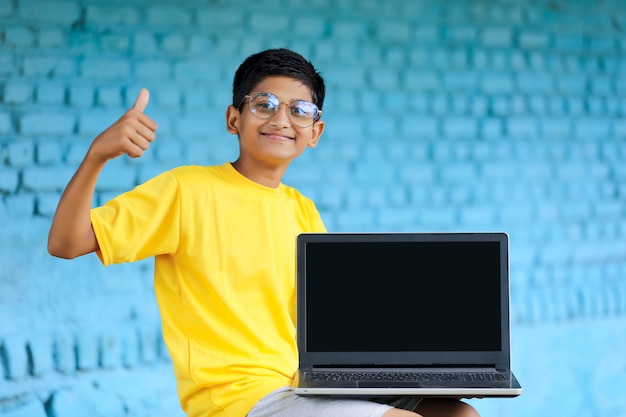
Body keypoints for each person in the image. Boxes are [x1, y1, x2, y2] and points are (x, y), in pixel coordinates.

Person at [48, 48, 480, 417]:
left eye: (300, 110)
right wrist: (97, 155)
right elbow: (66, 243)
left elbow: (332, 321)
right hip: (239, 398)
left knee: (460, 412)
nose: (281, 119)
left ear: (315, 132)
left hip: (301, 384)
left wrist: (422, 359)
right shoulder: (186, 190)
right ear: (234, 118)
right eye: (264, 104)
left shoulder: (302, 210)